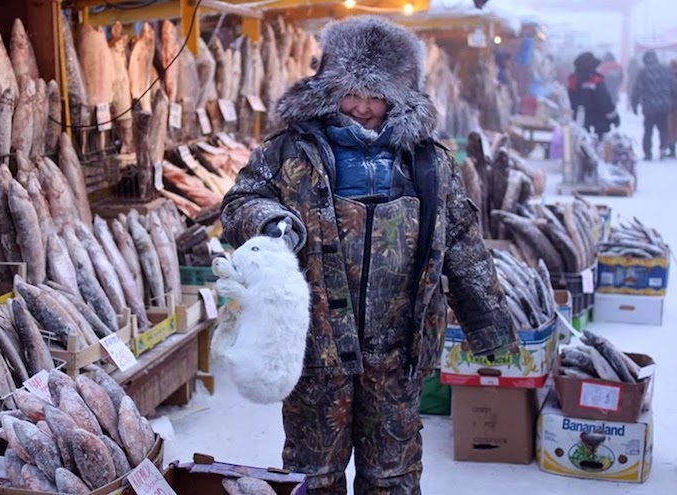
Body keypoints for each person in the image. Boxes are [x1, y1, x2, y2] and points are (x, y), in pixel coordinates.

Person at [220, 16, 517, 495]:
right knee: (312, 475)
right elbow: (238, 202)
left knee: (392, 477)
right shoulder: (289, 151)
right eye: (350, 93)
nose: (361, 108)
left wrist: (490, 326)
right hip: (316, 346)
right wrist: (267, 220)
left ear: (399, 96)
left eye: (376, 96)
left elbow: (461, 240)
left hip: (398, 351)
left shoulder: (429, 161)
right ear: (328, 88)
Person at [630, 50, 677, 160]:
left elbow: (637, 89)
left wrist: (634, 104)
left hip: (649, 108)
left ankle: (648, 153)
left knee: (648, 131)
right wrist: (674, 103)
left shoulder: (643, 72)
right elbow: (674, 88)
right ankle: (662, 149)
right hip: (664, 107)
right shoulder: (666, 70)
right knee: (663, 129)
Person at [567, 52, 620, 139]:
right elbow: (605, 102)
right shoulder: (595, 80)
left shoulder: (573, 80)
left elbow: (571, 101)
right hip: (599, 124)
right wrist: (614, 118)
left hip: (580, 123)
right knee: (597, 149)